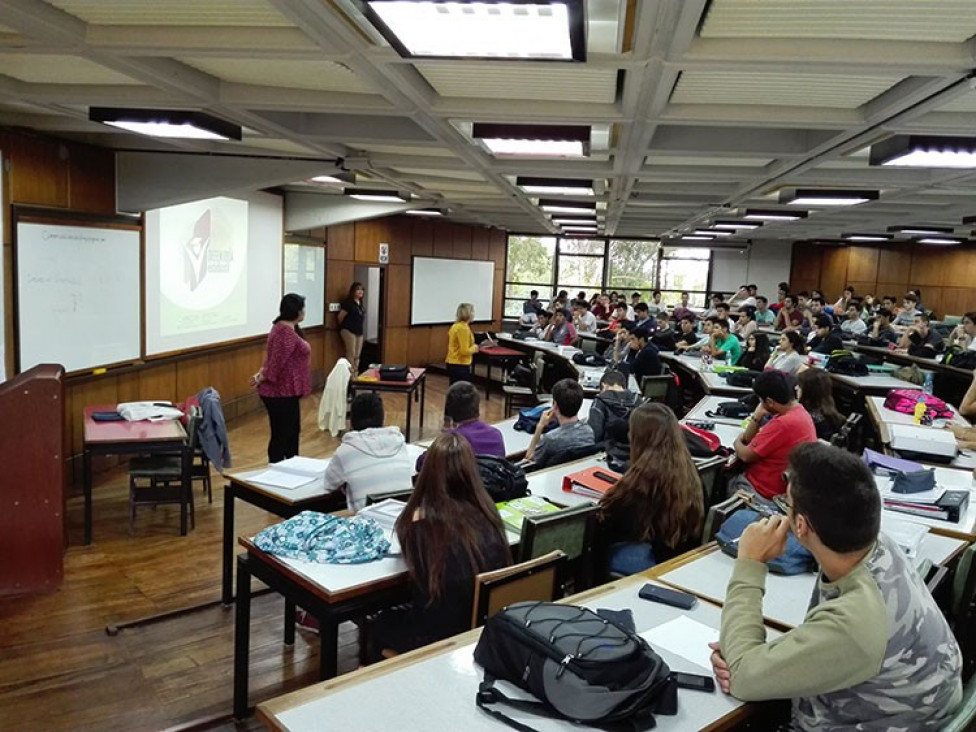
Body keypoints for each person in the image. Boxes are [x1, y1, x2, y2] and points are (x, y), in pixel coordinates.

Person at [710, 443, 962, 731]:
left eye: (786, 504)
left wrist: (750, 562)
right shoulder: (877, 546)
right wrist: (753, 657)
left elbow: (742, 678)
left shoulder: (854, 621)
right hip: (911, 709)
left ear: (801, 526)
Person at [368, 433, 510, 660]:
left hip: (434, 637)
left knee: (379, 623)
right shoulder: (488, 513)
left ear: (429, 474)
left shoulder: (419, 526)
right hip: (480, 630)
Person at [596, 403, 704, 575]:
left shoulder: (641, 484)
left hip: (651, 560)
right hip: (678, 556)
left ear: (639, 437)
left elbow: (606, 523)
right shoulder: (689, 470)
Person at [729, 370, 817, 499]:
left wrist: (736, 441)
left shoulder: (783, 424)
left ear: (769, 401)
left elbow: (745, 455)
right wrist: (756, 417)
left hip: (762, 491)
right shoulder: (800, 411)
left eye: (760, 400)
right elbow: (749, 439)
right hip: (784, 488)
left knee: (725, 478)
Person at [324, 392, 414, 511]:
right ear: (382, 418)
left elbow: (329, 485)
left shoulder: (346, 451)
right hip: (403, 521)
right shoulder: (399, 443)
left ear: (351, 421)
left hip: (368, 524)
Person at [252, 293, 311, 463]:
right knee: (281, 436)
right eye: (303, 308)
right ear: (296, 311)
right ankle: (277, 473)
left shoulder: (288, 328)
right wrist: (262, 376)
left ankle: (292, 469)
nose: (304, 312)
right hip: (280, 393)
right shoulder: (284, 332)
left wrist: (262, 374)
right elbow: (276, 363)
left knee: (291, 435)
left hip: (287, 393)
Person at [525, 378, 595, 468]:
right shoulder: (588, 431)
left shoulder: (550, 439)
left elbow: (528, 460)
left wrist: (540, 426)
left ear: (555, 405)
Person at [587, 370, 641, 470]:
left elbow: (594, 436)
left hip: (608, 457)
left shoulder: (599, 402)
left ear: (603, 385)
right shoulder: (638, 401)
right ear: (624, 386)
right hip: (636, 457)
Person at [441, 380, 505, 458]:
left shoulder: (450, 441)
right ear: (477, 405)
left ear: (449, 410)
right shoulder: (496, 434)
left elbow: (423, 462)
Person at [797, 368, 844, 442]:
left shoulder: (808, 417)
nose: (796, 388)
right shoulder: (829, 410)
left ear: (807, 392)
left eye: (799, 386)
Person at [447, 302, 484, 384]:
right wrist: (475, 348)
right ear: (469, 313)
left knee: (455, 390)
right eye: (473, 312)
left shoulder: (455, 326)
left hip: (453, 362)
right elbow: (464, 351)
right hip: (459, 364)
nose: (474, 314)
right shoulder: (463, 328)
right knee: (461, 392)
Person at [337, 282, 366, 375]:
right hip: (348, 330)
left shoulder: (360, 304)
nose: (360, 291)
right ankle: (349, 375)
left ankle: (355, 374)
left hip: (359, 331)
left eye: (362, 289)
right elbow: (340, 317)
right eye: (358, 289)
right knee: (351, 353)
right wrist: (344, 326)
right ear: (353, 291)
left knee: (357, 355)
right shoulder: (348, 303)